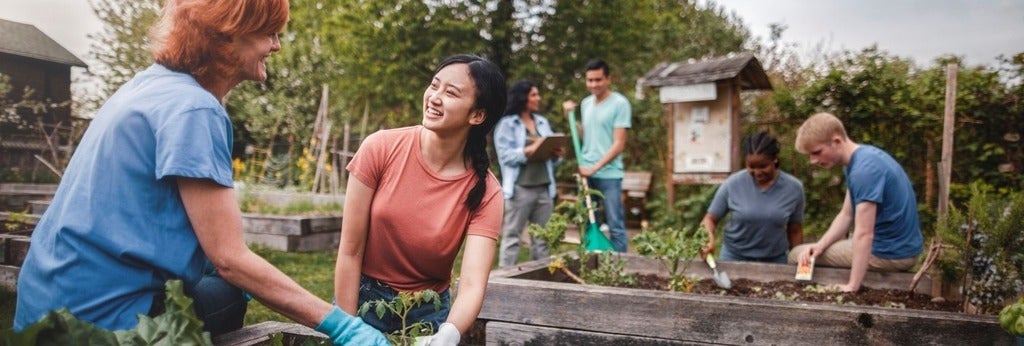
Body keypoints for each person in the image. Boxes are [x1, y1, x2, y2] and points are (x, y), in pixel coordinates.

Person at [13, 0, 388, 344]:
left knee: (215, 279)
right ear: (229, 34)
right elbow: (230, 260)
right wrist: (343, 324)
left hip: (45, 308)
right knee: (228, 291)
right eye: (269, 33)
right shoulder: (195, 110)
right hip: (102, 326)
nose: (276, 46)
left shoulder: (149, 85)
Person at [333, 54, 506, 345]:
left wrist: (449, 333)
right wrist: (347, 328)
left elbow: (474, 284)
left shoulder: (487, 191)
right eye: (434, 85)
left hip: (427, 313)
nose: (434, 97)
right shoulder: (380, 148)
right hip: (362, 300)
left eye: (450, 93)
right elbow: (350, 251)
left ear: (477, 115)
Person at [788, 112, 923, 292]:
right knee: (809, 251)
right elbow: (846, 215)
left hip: (891, 253)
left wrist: (852, 286)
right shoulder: (861, 160)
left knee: (796, 255)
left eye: (817, 152)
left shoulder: (863, 171)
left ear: (836, 141)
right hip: (900, 248)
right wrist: (819, 246)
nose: (813, 161)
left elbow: (864, 234)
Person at [700, 131, 805, 264]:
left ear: (775, 159)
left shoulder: (793, 188)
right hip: (734, 257)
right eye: (751, 166)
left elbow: (795, 230)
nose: (757, 172)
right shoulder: (733, 184)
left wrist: (799, 264)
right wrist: (707, 238)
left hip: (775, 260)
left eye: (763, 166)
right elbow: (710, 219)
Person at [562, 59, 632, 252]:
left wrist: (595, 167)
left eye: (598, 80)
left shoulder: (620, 104)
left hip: (609, 174)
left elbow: (619, 144)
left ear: (608, 79)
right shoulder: (586, 103)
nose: (593, 85)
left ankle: (621, 268)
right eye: (590, 80)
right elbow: (585, 136)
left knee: (615, 223)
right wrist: (570, 118)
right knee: (586, 222)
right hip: (587, 173)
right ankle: (591, 264)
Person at [493, 80, 564, 267]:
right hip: (520, 190)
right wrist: (529, 150)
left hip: (544, 189)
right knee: (512, 237)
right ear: (523, 98)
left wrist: (556, 153)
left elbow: (551, 154)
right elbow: (505, 156)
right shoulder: (507, 124)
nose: (538, 98)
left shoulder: (542, 122)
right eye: (534, 95)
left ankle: (539, 281)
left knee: (542, 240)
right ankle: (504, 281)